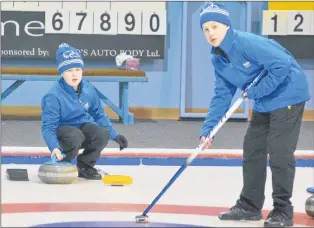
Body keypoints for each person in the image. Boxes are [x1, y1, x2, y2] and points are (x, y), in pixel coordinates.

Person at [198, 2, 310, 227]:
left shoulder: (247, 43)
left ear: (226, 26)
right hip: (263, 102)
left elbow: (283, 64)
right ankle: (249, 206)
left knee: (279, 153)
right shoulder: (217, 57)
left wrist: (256, 92)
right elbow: (222, 94)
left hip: (288, 95)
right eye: (205, 29)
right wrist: (208, 129)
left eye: (214, 27)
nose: (210, 33)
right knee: (253, 150)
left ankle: (282, 211)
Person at [41, 43, 128, 180]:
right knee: (75, 135)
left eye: (77, 69)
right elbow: (48, 127)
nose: (74, 74)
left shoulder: (88, 89)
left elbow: (99, 115)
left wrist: (115, 135)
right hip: (64, 131)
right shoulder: (53, 95)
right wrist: (54, 148)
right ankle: (64, 163)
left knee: (101, 133)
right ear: (62, 73)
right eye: (69, 70)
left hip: (82, 127)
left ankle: (85, 166)